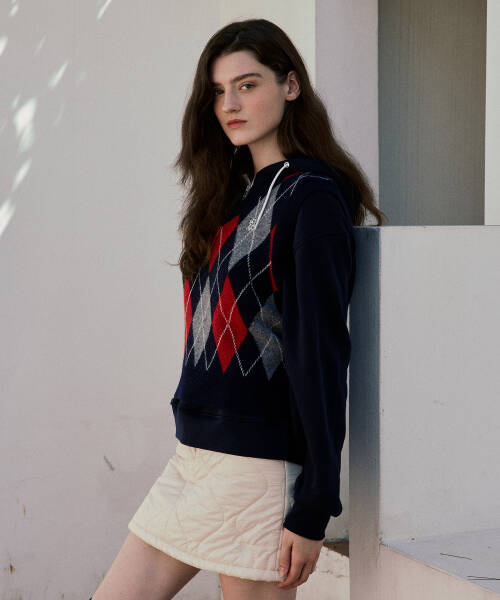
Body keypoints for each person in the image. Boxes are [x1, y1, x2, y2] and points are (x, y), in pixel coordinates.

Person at [90, 17, 386, 600]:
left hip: (257, 468)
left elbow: (320, 353)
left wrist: (315, 504)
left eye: (247, 85)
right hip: (194, 456)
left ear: (291, 85)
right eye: (219, 91)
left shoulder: (311, 198)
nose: (230, 104)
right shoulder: (230, 197)